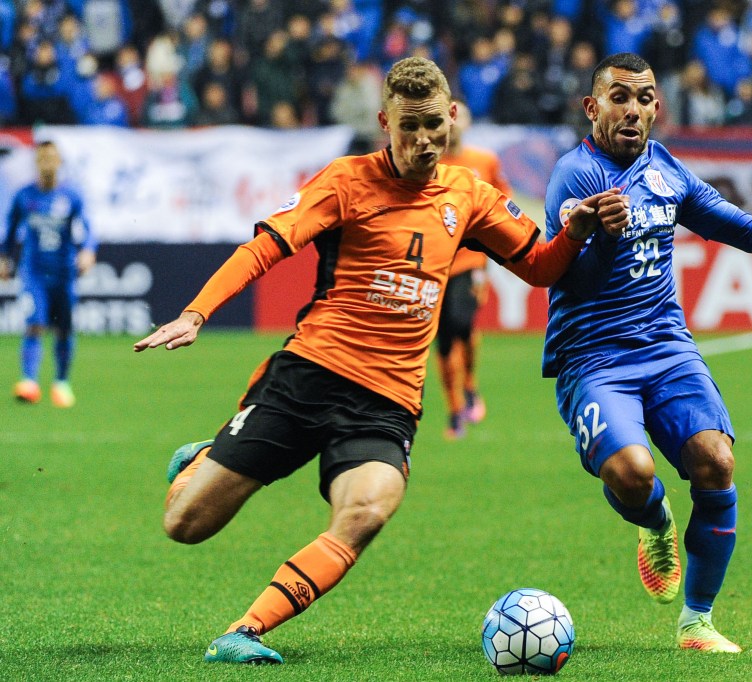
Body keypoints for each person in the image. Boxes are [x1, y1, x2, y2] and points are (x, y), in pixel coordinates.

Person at [133, 56, 619, 666]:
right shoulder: (345, 180)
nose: (422, 141)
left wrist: (573, 232)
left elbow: (542, 267)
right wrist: (196, 314)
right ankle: (204, 458)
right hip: (310, 375)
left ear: (453, 119)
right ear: (386, 122)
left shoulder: (469, 193)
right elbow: (266, 247)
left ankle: (245, 632)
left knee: (365, 511)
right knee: (185, 523)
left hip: (386, 403)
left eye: (432, 127)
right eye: (408, 127)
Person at [542, 53, 752, 653]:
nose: (633, 109)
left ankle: (698, 622)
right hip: (594, 357)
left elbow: (734, 224)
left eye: (644, 98)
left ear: (657, 108)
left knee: (716, 461)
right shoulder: (575, 177)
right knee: (634, 475)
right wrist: (601, 237)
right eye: (619, 97)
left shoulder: (667, 171)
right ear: (592, 108)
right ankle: (655, 521)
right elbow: (574, 282)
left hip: (666, 348)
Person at [435, 99, 512, 439]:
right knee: (443, 337)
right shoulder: (428, 165)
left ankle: (469, 384)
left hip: (470, 260)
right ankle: (454, 408)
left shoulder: (483, 162)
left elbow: (503, 204)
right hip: (434, 263)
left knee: (461, 322)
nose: (452, 123)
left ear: (465, 122)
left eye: (458, 115)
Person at [1, 140, 96, 407]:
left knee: (63, 328)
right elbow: (10, 231)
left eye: (51, 158)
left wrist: (88, 250)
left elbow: (87, 228)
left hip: (65, 273)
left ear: (60, 162)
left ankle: (61, 383)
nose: (47, 164)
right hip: (33, 272)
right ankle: (29, 381)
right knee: (35, 322)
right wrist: (4, 258)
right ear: (35, 163)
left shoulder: (71, 197)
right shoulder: (25, 196)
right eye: (42, 158)